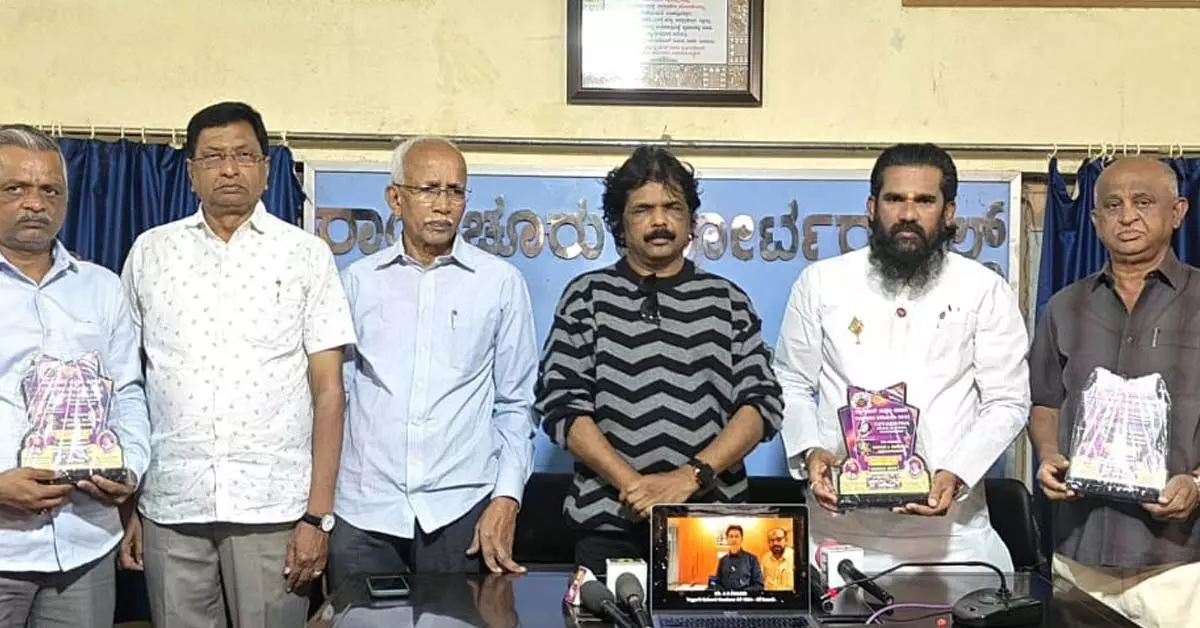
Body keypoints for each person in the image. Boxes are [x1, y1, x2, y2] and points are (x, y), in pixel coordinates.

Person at [119, 102, 355, 627]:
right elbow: (126, 383)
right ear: (191, 172)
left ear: (266, 169)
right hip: (171, 503)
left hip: (273, 508)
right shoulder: (151, 253)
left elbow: (329, 391)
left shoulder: (305, 255)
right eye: (214, 157)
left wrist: (318, 515)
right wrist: (127, 506)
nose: (229, 169)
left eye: (244, 155)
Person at [774, 143, 1029, 574]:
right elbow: (791, 382)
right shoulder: (820, 282)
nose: (908, 214)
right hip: (839, 532)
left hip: (953, 539)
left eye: (925, 200)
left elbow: (1007, 401)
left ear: (949, 212)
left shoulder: (984, 290)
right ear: (872, 208)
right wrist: (810, 451)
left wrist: (956, 473)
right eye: (895, 199)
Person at [536, 146, 784, 574]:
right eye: (643, 209)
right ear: (620, 223)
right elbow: (561, 405)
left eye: (673, 208)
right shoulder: (586, 297)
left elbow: (762, 405)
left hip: (714, 530)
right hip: (610, 527)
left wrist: (688, 478)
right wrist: (636, 487)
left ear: (691, 222)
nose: (659, 221)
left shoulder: (728, 301)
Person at [328, 136, 537, 588]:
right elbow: (335, 398)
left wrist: (506, 498)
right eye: (428, 190)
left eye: (455, 191)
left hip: (461, 513)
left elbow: (516, 405)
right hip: (365, 513)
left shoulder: (500, 283)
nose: (443, 205)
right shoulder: (356, 284)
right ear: (395, 198)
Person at [1029, 157, 1200, 628]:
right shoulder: (1063, 307)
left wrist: (1197, 484)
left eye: (1143, 202)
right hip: (1080, 556)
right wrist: (1048, 455)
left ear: (1178, 211)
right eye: (1112, 205)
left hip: (1180, 564)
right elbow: (1045, 402)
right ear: (1094, 219)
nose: (1127, 216)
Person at [0, 124, 150, 627]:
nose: (35, 203)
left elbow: (128, 392)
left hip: (85, 543)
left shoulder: (101, 288)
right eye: (15, 188)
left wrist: (129, 468)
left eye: (50, 190)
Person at [713, 525, 763, 591]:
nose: (734, 539)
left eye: (737, 536)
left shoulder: (752, 559)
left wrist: (742, 593)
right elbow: (717, 583)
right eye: (731, 536)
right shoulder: (722, 560)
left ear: (741, 539)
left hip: (746, 596)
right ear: (727, 539)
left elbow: (759, 585)